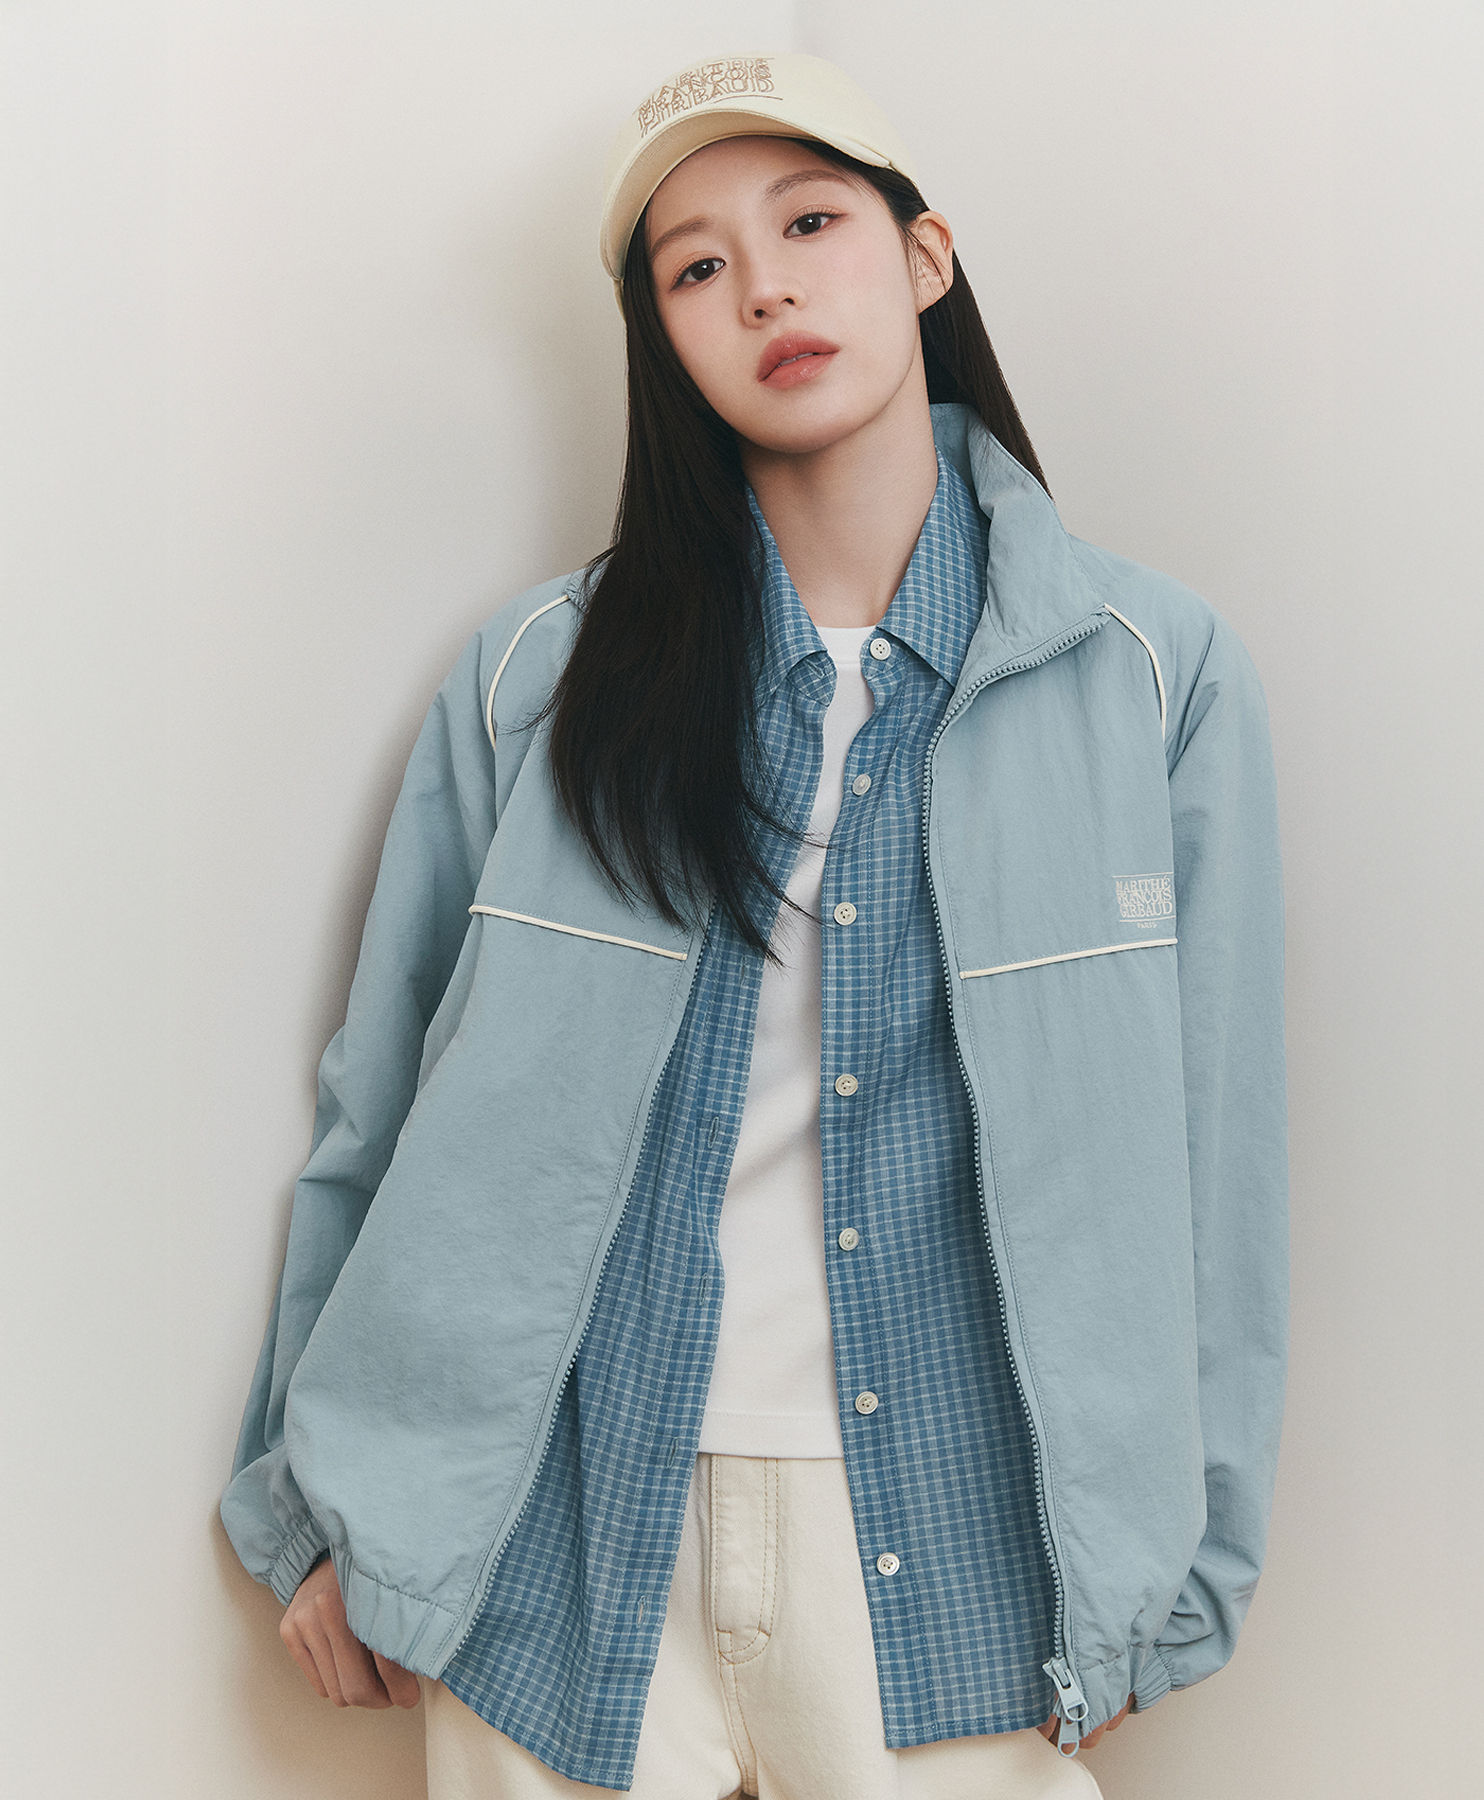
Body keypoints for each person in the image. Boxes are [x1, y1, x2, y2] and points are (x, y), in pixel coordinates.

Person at [222, 51, 1288, 1800]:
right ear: (661, 338)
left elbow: (1215, 1162)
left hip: (960, 1532)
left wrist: (1172, 1575)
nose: (765, 290)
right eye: (697, 265)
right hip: (551, 1523)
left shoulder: (1148, 675)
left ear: (926, 258)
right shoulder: (539, 680)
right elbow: (384, 1103)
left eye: (809, 224)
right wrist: (320, 1503)